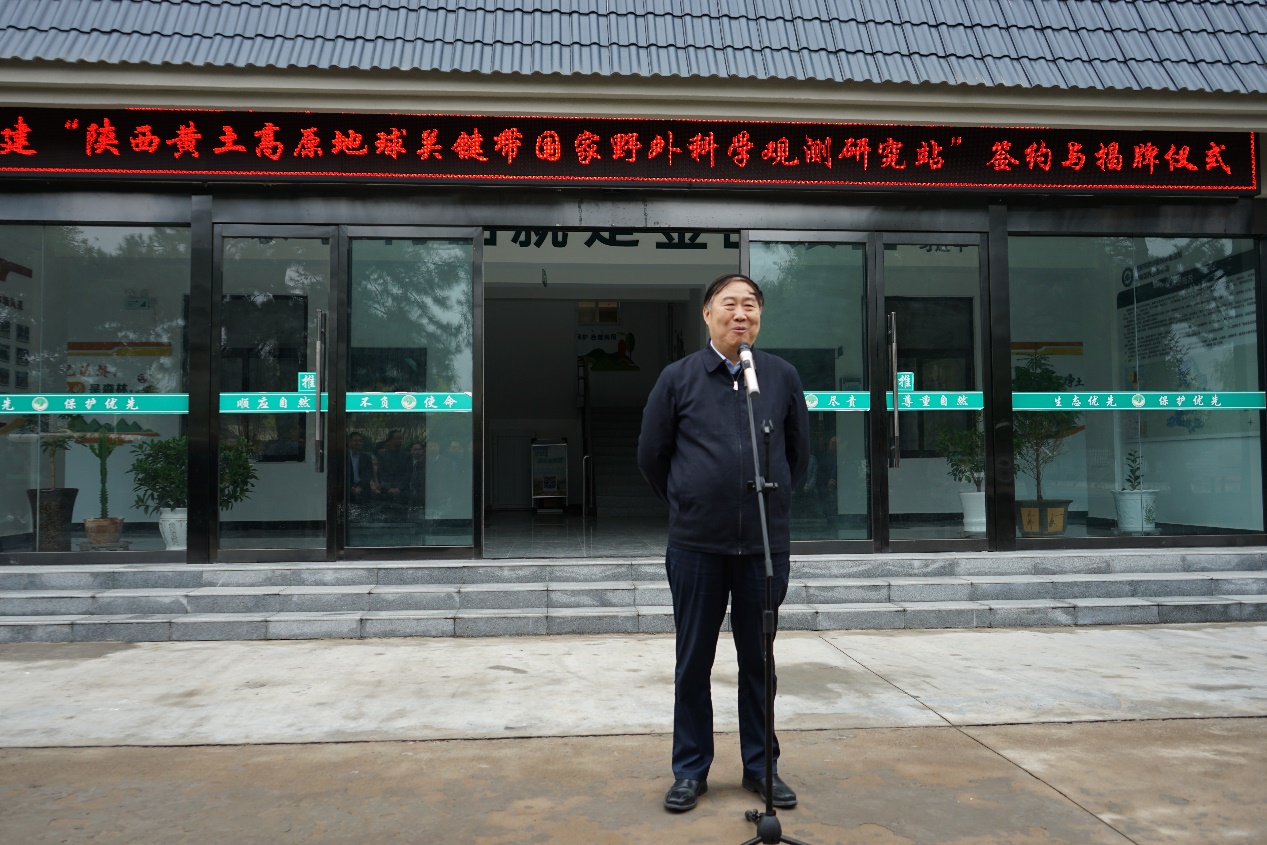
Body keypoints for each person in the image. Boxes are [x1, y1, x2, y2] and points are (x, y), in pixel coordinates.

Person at [637, 272, 810, 813]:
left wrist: (773, 507)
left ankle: (761, 767)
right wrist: (690, 502)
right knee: (694, 662)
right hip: (697, 547)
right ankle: (690, 770)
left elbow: (799, 455)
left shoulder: (779, 376)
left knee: (760, 662)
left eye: (750, 305)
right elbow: (651, 455)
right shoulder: (678, 378)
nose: (741, 314)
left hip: (763, 548)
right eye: (729, 304)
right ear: (707, 313)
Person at [346, 431, 379, 514]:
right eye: (355, 441)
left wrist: (360, 486)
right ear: (349, 442)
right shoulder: (343, 456)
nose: (359, 443)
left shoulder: (366, 457)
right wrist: (350, 487)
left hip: (363, 489)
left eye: (360, 441)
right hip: (346, 490)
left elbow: (368, 474)